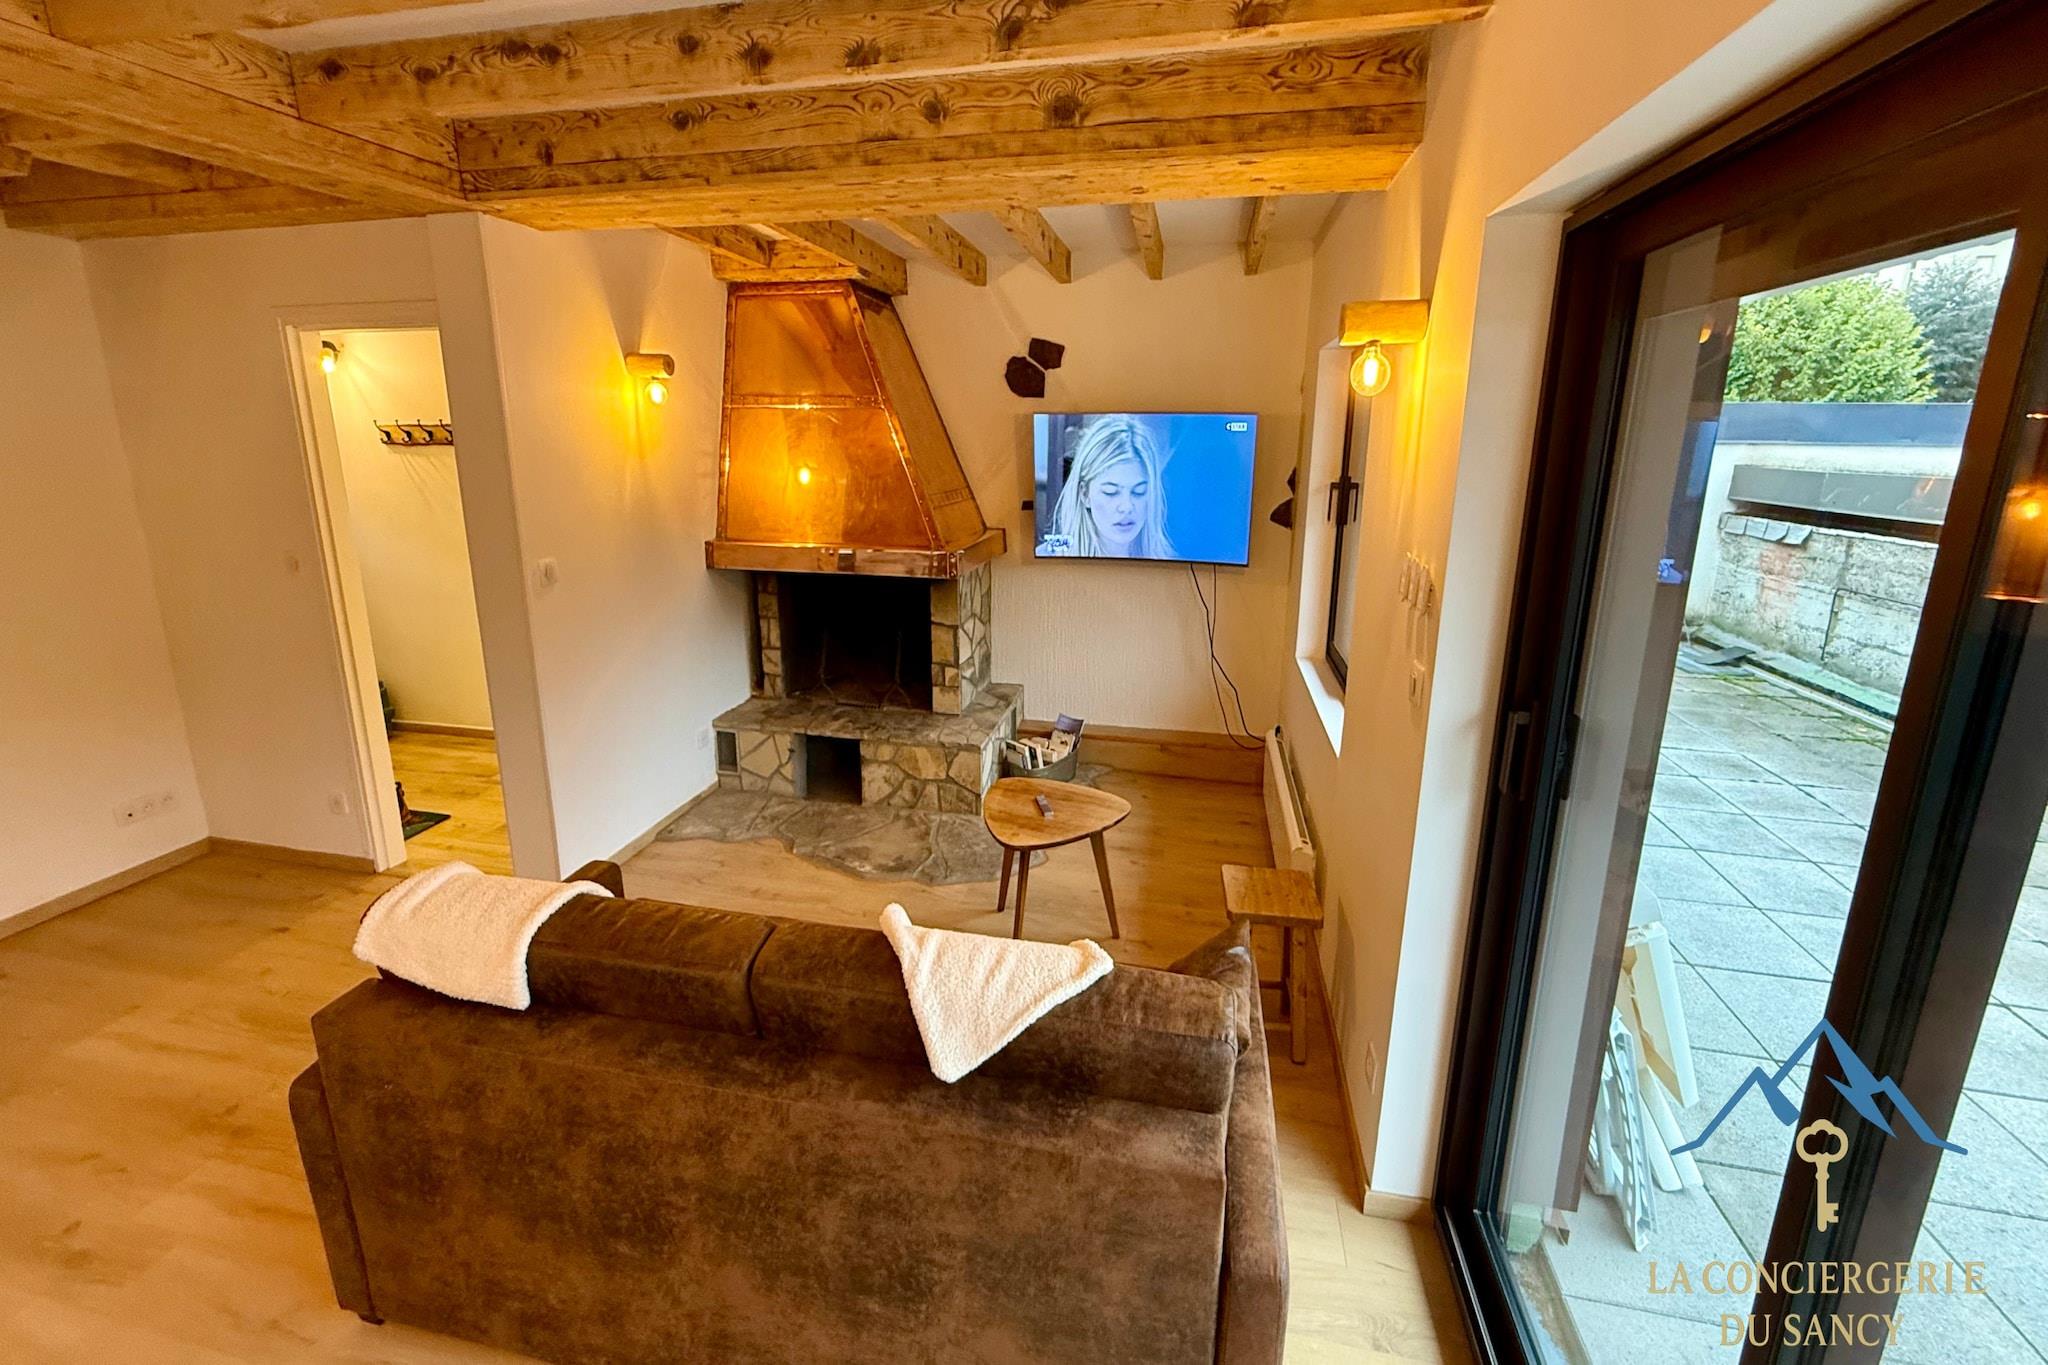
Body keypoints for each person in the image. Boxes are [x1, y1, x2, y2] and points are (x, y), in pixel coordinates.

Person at [1040, 416, 1176, 559]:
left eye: (1138, 492)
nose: (1126, 506)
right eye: (1111, 492)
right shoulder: (1048, 557)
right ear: (1084, 494)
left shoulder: (1170, 561)